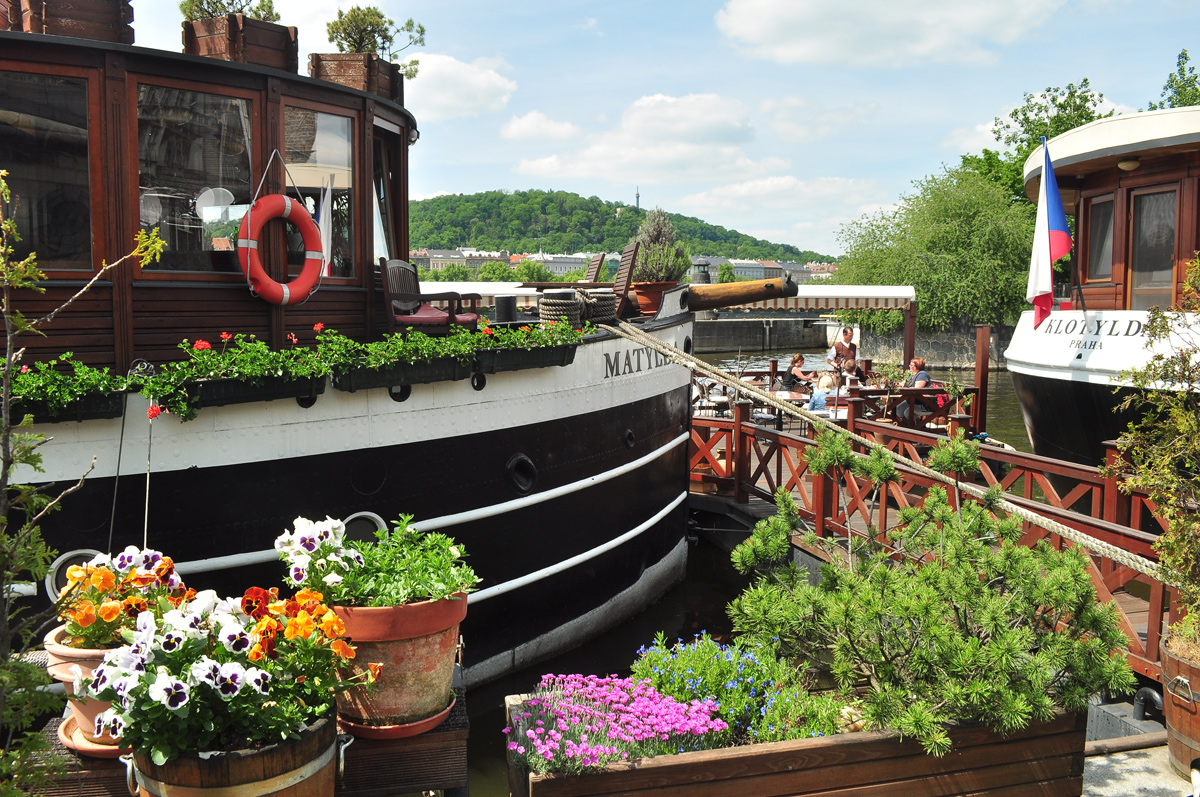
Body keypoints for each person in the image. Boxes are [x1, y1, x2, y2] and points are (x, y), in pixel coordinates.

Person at [893, 357, 931, 425]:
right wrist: (894, 384)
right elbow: (903, 384)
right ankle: (906, 425)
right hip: (911, 400)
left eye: (912, 365)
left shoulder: (922, 374)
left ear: (918, 366)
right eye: (910, 365)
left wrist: (906, 389)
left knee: (906, 412)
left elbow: (917, 389)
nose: (909, 366)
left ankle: (917, 426)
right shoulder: (912, 375)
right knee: (898, 408)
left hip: (921, 402)